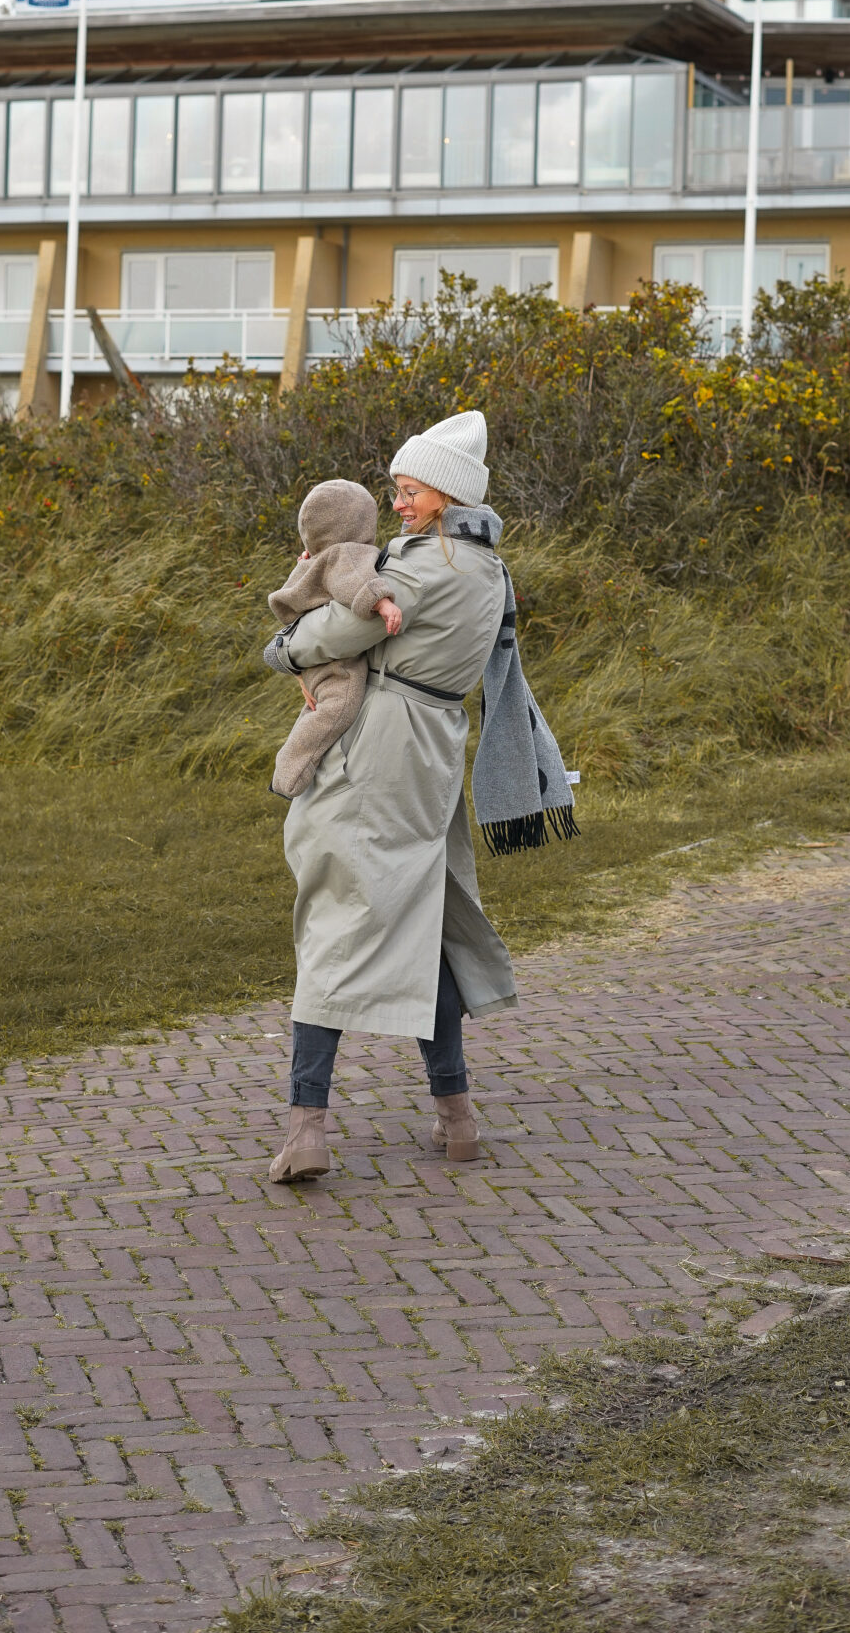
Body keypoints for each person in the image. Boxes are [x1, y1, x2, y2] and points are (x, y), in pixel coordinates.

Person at [262, 408, 576, 1185]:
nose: (398, 503)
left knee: (335, 919)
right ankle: (457, 1118)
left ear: (447, 493)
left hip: (379, 746)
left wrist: (284, 645)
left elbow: (340, 633)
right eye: (397, 489)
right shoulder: (491, 570)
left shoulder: (423, 567)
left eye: (410, 490)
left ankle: (307, 1130)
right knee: (422, 926)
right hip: (435, 746)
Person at [266, 479, 404, 800]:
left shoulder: (315, 557)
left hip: (310, 655)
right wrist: (382, 603)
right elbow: (356, 581)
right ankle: (289, 776)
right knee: (338, 709)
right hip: (336, 661)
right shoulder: (347, 554)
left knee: (317, 710)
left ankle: (290, 767)